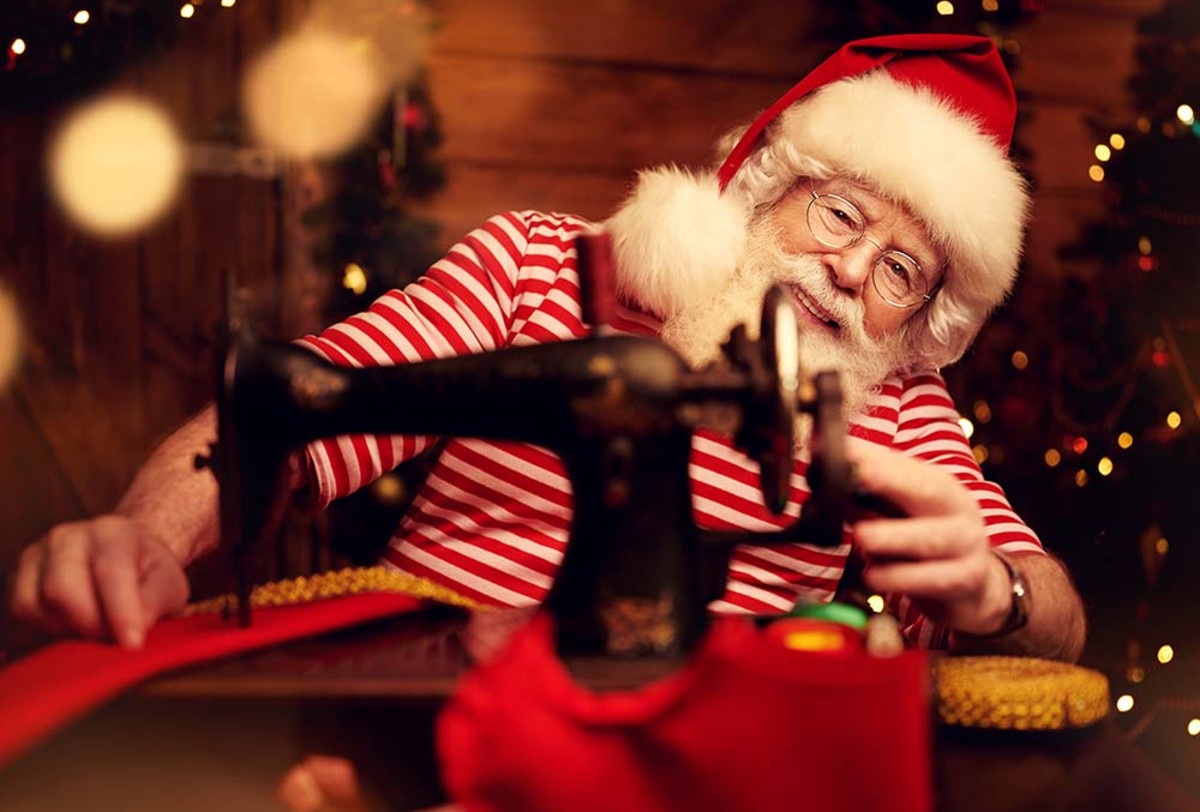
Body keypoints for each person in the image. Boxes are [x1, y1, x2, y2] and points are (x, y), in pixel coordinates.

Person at [5, 34, 1086, 662]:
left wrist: (999, 595)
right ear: (765, 188)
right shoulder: (537, 264)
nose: (854, 274)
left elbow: (1053, 611)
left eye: (902, 270)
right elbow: (306, 417)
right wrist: (147, 536)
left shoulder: (898, 405)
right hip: (430, 699)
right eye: (842, 217)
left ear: (922, 321)